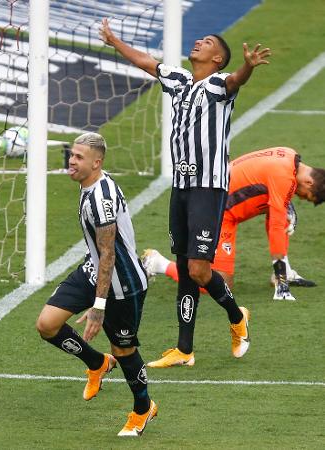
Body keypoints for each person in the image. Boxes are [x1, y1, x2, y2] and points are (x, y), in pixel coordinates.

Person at [99, 19, 271, 367]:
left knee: (199, 269)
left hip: (208, 187)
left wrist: (247, 66)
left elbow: (237, 79)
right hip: (181, 186)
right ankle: (184, 349)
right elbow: (147, 63)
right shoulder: (178, 80)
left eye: (207, 42)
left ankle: (238, 317)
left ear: (217, 59)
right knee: (183, 264)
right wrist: (115, 41)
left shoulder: (220, 84)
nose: (199, 43)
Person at [36, 132, 157, 437]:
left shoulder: (100, 201)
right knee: (47, 325)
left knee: (124, 349)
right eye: (71, 155)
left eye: (78, 157)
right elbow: (100, 257)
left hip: (123, 284)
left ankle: (143, 409)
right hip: (96, 270)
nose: (71, 161)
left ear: (97, 162)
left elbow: (109, 254)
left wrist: (98, 307)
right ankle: (97, 362)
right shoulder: (91, 183)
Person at [143, 147, 325, 301]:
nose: (300, 197)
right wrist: (283, 285)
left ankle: (283, 272)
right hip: (217, 213)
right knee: (221, 284)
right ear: (309, 182)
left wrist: (285, 206)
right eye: (305, 196)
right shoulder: (284, 177)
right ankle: (158, 263)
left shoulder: (289, 155)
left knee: (282, 213)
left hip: (217, 198)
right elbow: (276, 227)